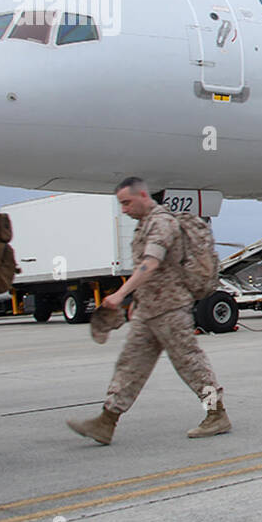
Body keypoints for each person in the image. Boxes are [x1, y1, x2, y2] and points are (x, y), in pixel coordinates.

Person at [68, 177, 230, 444]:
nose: (124, 209)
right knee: (130, 365)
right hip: (149, 310)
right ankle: (106, 421)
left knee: (191, 365)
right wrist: (137, 304)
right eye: (121, 204)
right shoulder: (143, 225)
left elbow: (151, 263)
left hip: (171, 309)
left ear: (143, 195)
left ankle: (216, 414)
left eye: (127, 202)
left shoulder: (161, 222)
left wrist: (121, 294)